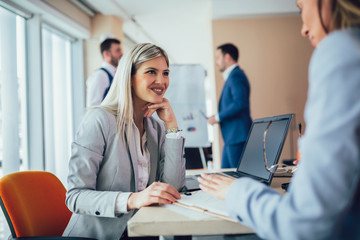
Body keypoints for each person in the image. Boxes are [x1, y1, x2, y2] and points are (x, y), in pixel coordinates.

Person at [199, 0, 360, 239]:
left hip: (237, 135)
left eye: (301, 7)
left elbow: (305, 225)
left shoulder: (341, 51)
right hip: (232, 135)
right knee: (234, 174)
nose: (303, 29)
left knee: (236, 180)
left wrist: (236, 192)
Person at [63, 43, 186, 240]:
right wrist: (133, 199)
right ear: (129, 77)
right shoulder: (100, 120)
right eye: (151, 72)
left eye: (165, 73)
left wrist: (172, 126)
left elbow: (173, 187)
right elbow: (76, 196)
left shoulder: (156, 127)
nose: (161, 81)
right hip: (98, 236)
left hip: (142, 232)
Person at [208, 43, 252, 168]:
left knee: (237, 177)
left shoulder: (236, 76)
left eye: (218, 58)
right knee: (227, 176)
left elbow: (239, 103)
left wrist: (217, 117)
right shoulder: (233, 76)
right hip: (231, 138)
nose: (216, 62)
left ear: (227, 57)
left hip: (237, 136)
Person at [86, 38, 123, 107]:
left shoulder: (115, 74)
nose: (122, 54)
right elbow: (93, 107)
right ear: (106, 54)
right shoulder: (100, 75)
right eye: (118, 51)